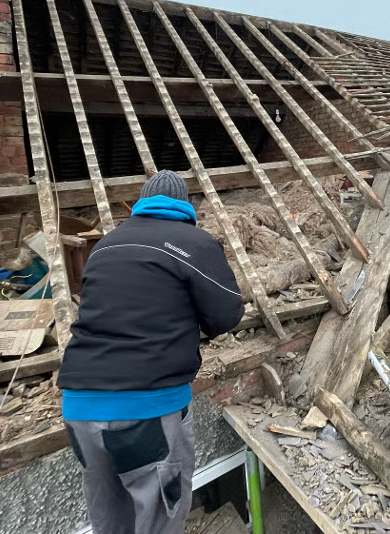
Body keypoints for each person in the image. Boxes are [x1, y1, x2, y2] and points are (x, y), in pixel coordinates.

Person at [58, 170, 244, 534]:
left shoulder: (105, 245)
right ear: (185, 206)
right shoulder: (195, 242)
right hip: (146, 414)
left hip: (79, 410)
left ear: (143, 203)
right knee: (159, 520)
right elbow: (225, 316)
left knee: (110, 520)